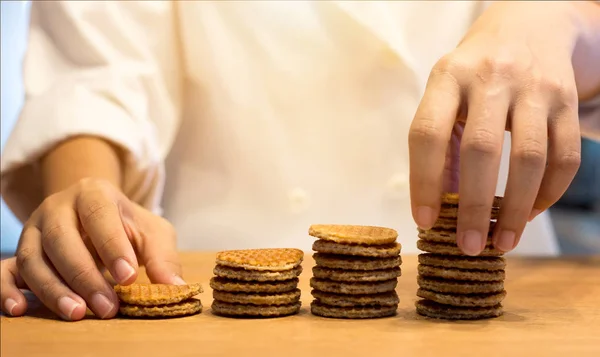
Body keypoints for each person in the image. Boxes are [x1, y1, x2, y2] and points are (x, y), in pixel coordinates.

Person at [0, 1, 599, 321]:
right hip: (212, 294)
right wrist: (89, 197)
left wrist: (557, 18)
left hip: (508, 283)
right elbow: (97, 71)